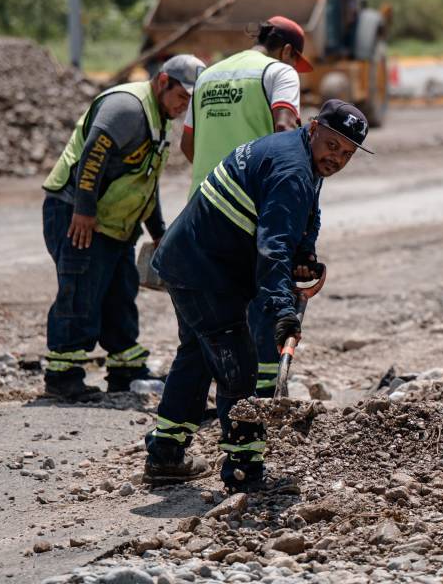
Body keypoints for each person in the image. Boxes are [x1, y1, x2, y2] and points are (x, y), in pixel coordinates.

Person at [143, 100, 372, 490]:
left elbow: (307, 216)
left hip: (194, 261)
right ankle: (244, 471)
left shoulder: (303, 157)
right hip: (203, 270)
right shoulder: (292, 171)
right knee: (238, 365)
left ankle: (165, 453)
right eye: (333, 145)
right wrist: (283, 311)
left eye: (347, 154)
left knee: (198, 354)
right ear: (313, 128)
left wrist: (306, 255)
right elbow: (273, 248)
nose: (337, 158)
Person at [41, 55, 205, 401]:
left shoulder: (160, 118)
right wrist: (84, 210)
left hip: (114, 224)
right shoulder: (128, 107)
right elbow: (93, 155)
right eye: (181, 97)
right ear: (163, 82)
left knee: (120, 294)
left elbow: (145, 181)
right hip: (77, 215)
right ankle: (62, 376)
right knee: (80, 293)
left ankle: (125, 370)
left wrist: (158, 232)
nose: (183, 106)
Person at [182, 16, 312, 400]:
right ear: (286, 51)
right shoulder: (279, 73)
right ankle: (262, 398)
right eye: (295, 58)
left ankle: (197, 403)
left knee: (208, 312)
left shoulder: (207, 76)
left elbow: (188, 145)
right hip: (251, 209)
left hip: (202, 207)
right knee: (261, 304)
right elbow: (286, 131)